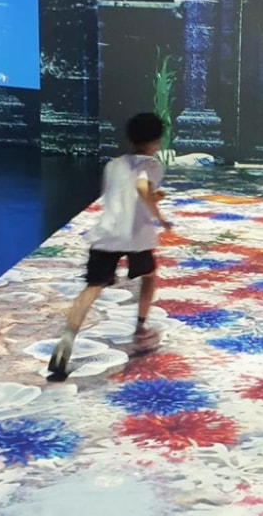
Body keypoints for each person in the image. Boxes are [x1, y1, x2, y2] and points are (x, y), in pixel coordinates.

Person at [47, 112, 173, 382]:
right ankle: (140, 325)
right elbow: (141, 188)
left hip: (106, 233)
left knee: (92, 287)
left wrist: (150, 194)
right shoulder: (151, 164)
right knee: (149, 276)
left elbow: (123, 192)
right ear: (156, 140)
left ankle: (66, 340)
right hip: (135, 235)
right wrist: (159, 215)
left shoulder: (113, 164)